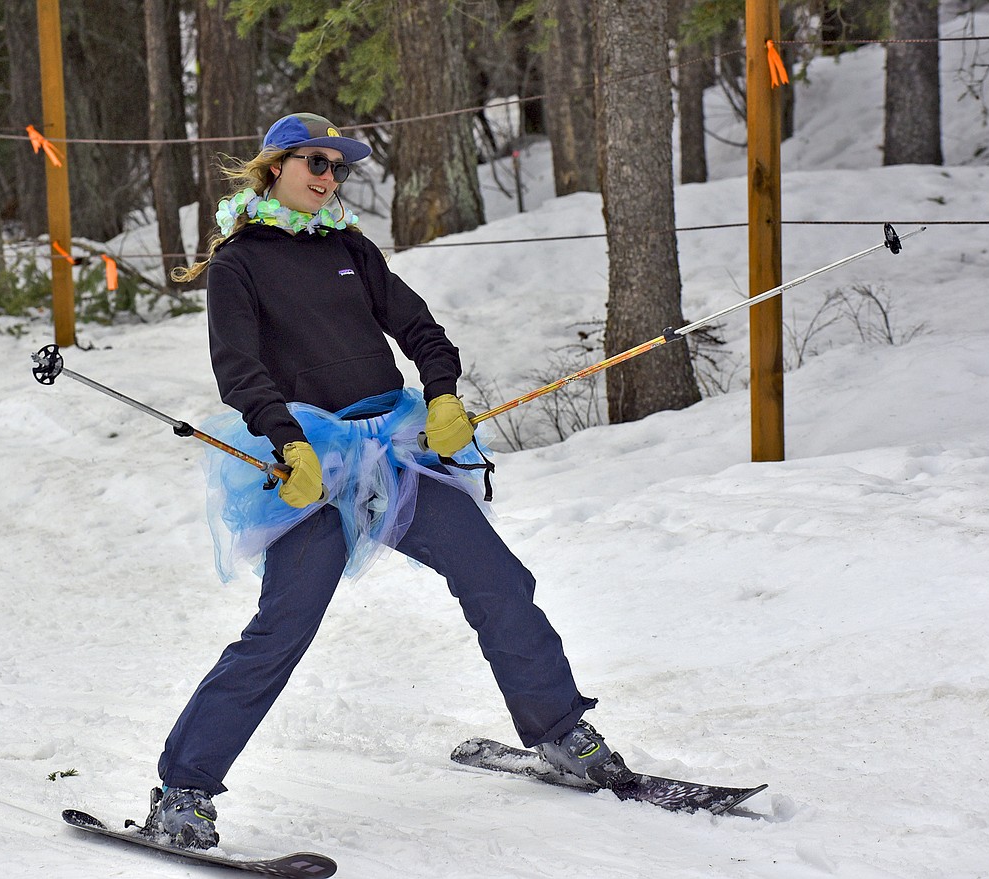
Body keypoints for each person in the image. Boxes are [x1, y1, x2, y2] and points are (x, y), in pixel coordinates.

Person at [143, 112, 632, 849]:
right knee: (282, 627)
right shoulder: (240, 263)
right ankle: (182, 790)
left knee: (497, 577)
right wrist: (287, 441)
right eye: (315, 161)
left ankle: (560, 730)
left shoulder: (349, 248)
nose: (329, 175)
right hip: (311, 462)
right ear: (275, 165)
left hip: (393, 454)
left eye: (338, 166)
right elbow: (238, 368)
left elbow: (422, 330)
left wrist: (441, 395)